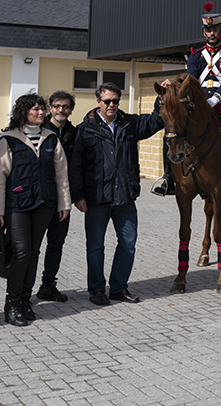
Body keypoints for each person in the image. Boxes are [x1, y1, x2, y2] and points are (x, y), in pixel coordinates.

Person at [69, 82, 164, 306]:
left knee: (128, 243)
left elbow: (156, 121)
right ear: (98, 102)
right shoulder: (85, 129)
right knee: (96, 246)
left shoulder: (130, 123)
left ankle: (118, 288)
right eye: (107, 101)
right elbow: (76, 166)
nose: (111, 105)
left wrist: (162, 98)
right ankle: (96, 290)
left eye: (115, 101)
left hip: (124, 197)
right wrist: (78, 196)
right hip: (97, 198)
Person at [153, 2, 221, 199]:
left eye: (215, 30)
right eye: (208, 30)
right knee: (171, 130)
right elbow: (190, 79)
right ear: (204, 33)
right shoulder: (195, 55)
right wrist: (176, 88)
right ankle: (168, 179)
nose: (212, 33)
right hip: (197, 103)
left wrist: (216, 99)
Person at [0, 93, 71, 326]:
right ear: (23, 112)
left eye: (42, 109)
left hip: (44, 204)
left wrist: (64, 203)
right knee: (21, 252)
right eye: (35, 109)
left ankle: (26, 299)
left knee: (34, 252)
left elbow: (61, 174)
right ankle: (12, 302)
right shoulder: (8, 140)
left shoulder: (51, 138)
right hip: (17, 205)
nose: (41, 112)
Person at [36, 90, 79, 303]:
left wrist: (76, 197)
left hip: (62, 199)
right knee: (32, 246)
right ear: (50, 108)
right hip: (38, 199)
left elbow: (78, 167)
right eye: (57, 106)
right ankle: (22, 290)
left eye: (66, 107)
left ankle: (48, 285)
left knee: (56, 244)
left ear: (71, 110)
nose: (61, 110)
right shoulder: (38, 130)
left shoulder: (75, 133)